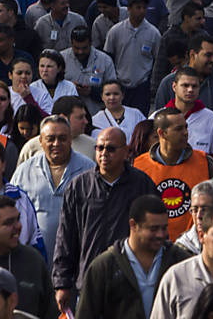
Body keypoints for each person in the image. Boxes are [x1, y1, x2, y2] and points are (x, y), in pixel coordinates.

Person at [52, 127, 158, 312]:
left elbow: (157, 232)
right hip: (89, 282)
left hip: (132, 284)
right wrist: (62, 283)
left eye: (110, 149)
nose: (103, 154)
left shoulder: (142, 185)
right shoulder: (79, 186)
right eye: (99, 148)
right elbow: (65, 237)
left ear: (125, 152)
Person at [77, 195, 188, 319]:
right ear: (133, 225)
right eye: (153, 229)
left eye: (164, 228)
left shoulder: (180, 261)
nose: (161, 235)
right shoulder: (104, 266)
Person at [10, 115, 95, 263]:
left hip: (77, 258)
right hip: (34, 259)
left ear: (70, 140)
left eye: (62, 138)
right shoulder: (24, 171)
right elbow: (10, 210)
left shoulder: (89, 169)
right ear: (41, 141)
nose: (56, 143)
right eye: (50, 138)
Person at [105, 0, 161, 114]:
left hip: (142, 86)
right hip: (120, 84)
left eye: (144, 8)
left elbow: (158, 60)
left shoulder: (153, 33)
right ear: (129, 9)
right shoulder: (115, 31)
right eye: (138, 7)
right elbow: (108, 57)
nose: (141, 11)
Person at [61, 27, 117, 116]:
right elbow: (54, 88)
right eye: (76, 48)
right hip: (69, 116)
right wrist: (70, 87)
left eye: (84, 48)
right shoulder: (61, 58)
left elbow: (113, 91)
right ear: (71, 44)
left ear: (91, 43)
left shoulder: (105, 60)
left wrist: (91, 91)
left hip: (98, 115)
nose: (80, 52)